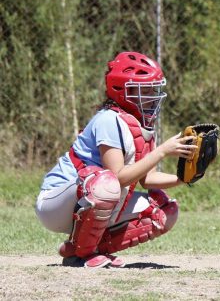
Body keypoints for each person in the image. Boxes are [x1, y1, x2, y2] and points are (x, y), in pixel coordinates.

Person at [35, 51, 198, 269]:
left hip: (91, 200)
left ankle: (82, 249)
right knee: (106, 184)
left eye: (154, 90)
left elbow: (147, 179)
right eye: (144, 90)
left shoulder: (142, 125)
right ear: (122, 90)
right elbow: (118, 177)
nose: (152, 96)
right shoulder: (108, 120)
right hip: (55, 204)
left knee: (164, 211)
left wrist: (184, 177)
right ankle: (82, 256)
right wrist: (162, 152)